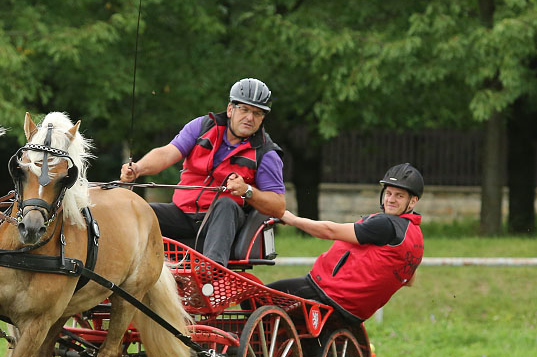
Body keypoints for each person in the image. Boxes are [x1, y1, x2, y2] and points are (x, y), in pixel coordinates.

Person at [120, 78, 286, 266]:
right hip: (182, 214)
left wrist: (247, 190)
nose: (250, 117)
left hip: (223, 221)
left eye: (257, 113)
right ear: (230, 109)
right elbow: (167, 153)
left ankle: (212, 272)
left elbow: (278, 206)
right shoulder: (202, 126)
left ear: (263, 118)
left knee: (226, 204)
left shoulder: (266, 153)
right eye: (245, 109)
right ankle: (124, 270)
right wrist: (138, 169)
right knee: (137, 211)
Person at [268, 163, 425, 323]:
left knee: (256, 298)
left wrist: (292, 219)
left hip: (326, 293)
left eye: (399, 196)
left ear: (412, 202)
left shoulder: (385, 224)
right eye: (389, 193)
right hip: (354, 312)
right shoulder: (415, 235)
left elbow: (330, 231)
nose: (391, 200)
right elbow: (409, 280)